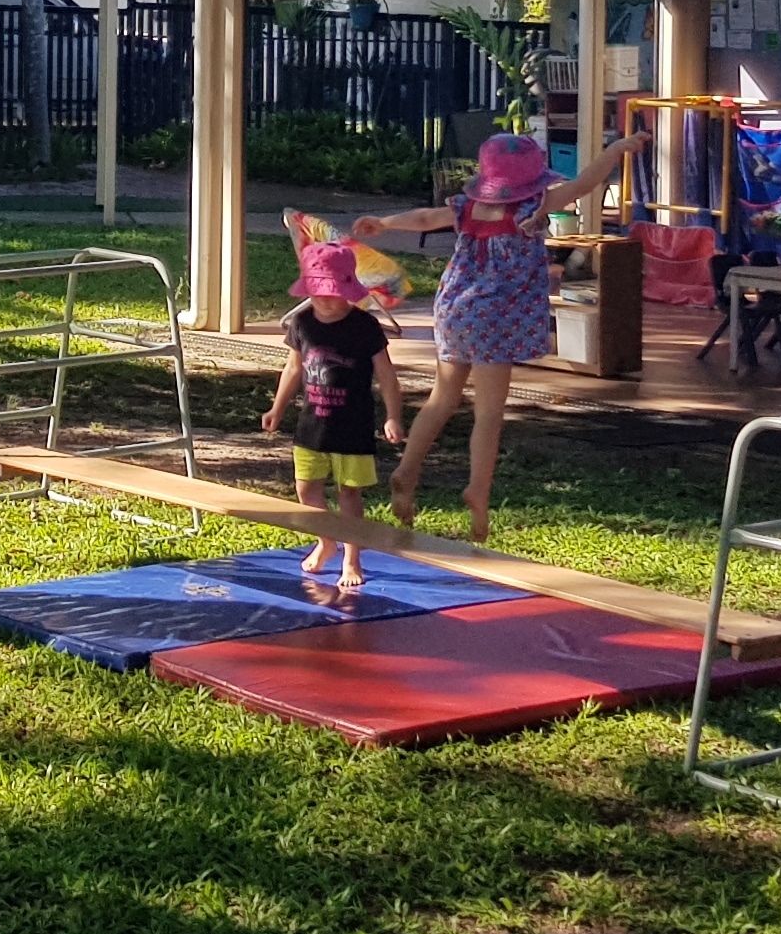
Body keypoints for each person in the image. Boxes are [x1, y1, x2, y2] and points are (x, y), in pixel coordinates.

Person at [351, 125, 632, 543]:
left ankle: (407, 471)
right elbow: (585, 183)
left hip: (454, 309)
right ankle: (478, 490)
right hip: (496, 318)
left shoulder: (464, 207)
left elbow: (425, 218)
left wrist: (384, 223)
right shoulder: (533, 206)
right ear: (531, 180)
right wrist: (617, 149)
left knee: (442, 399)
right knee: (489, 413)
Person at [258, 236, 403, 595]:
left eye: (333, 292)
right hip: (312, 426)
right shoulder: (304, 324)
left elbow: (386, 374)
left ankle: (352, 556)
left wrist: (393, 416)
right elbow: (293, 369)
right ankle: (327, 541)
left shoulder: (365, 327)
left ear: (349, 290)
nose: (326, 300)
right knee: (306, 489)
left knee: (349, 495)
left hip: (352, 428)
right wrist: (278, 408)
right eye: (318, 292)